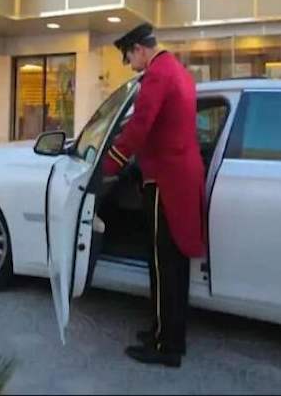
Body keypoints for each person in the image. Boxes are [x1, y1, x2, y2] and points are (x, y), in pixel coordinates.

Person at [102, 22, 205, 368]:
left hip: (165, 180)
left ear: (139, 49)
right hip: (179, 176)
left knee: (163, 265)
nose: (130, 65)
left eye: (128, 57)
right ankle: (168, 333)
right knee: (174, 264)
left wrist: (109, 165)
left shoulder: (157, 75)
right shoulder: (177, 70)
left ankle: (165, 346)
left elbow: (140, 125)